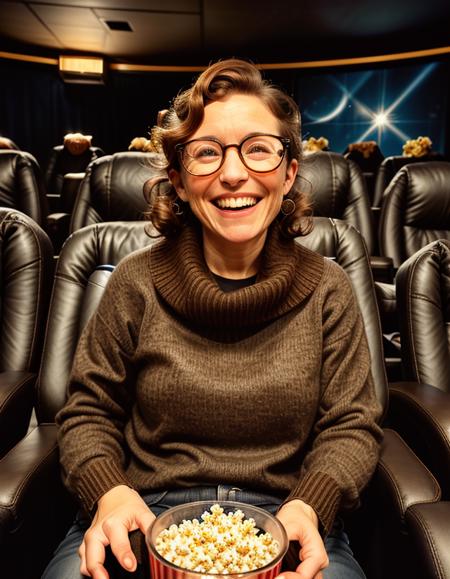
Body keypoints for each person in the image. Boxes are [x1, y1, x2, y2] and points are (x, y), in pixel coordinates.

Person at [42, 59, 383, 579]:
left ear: (289, 172)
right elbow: (88, 413)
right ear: (178, 181)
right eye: (206, 153)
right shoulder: (133, 281)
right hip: (142, 509)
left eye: (258, 149)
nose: (232, 173)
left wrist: (311, 504)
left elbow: (352, 426)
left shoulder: (329, 288)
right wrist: (108, 493)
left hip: (287, 516)